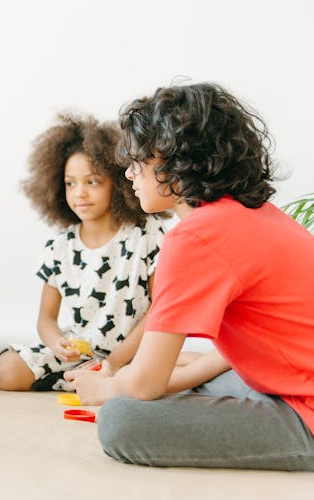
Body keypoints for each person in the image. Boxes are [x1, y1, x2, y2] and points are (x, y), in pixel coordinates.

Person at [66, 82, 314, 471]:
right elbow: (247, 354)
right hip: (289, 383)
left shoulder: (196, 237)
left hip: (306, 411)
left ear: (171, 161)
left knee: (120, 419)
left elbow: (146, 385)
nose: (130, 174)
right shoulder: (255, 214)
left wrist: (107, 388)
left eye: (138, 161)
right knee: (185, 367)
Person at [0, 113, 167, 391]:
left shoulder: (145, 234)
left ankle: (108, 376)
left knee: (162, 367)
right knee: (5, 371)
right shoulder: (59, 248)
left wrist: (117, 362)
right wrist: (56, 343)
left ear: (118, 183)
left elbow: (161, 307)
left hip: (134, 353)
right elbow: (46, 318)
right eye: (70, 183)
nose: (80, 193)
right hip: (82, 354)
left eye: (92, 181)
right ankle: (85, 377)